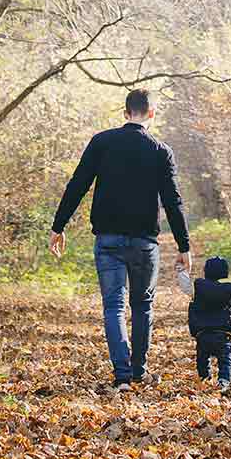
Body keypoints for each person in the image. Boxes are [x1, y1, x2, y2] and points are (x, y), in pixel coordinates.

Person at [50, 88, 191, 392]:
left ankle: (122, 376)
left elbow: (78, 185)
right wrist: (184, 246)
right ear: (150, 114)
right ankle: (139, 370)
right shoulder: (160, 150)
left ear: (126, 112)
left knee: (113, 306)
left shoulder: (102, 142)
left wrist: (58, 225)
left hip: (108, 239)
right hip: (144, 243)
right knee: (142, 306)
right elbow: (173, 201)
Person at [177, 254, 231, 391]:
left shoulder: (198, 288)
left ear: (205, 272)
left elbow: (185, 285)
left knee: (202, 358)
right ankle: (224, 380)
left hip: (203, 334)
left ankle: (204, 378)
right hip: (224, 334)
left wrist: (181, 268)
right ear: (225, 272)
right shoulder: (230, 290)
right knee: (225, 360)